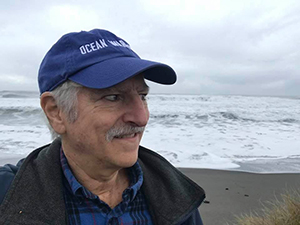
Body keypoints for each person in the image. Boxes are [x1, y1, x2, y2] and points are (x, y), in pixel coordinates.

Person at [0, 29, 205, 224]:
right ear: (56, 112)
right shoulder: (7, 195)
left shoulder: (174, 193)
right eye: (113, 97)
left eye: (142, 96)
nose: (141, 118)